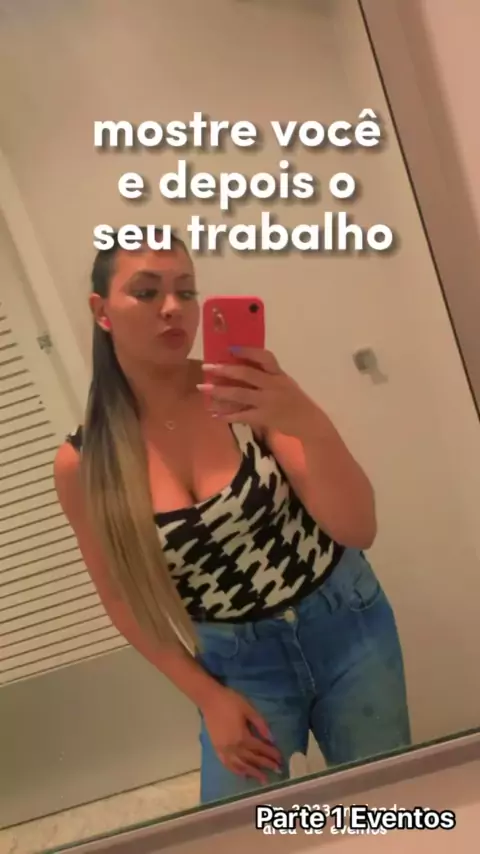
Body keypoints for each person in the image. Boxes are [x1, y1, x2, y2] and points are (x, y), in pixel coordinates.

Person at [54, 227, 411, 804]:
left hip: (346, 626)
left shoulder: (244, 394)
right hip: (239, 667)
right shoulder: (85, 462)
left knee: (381, 809)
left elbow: (357, 528)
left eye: (186, 291)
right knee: (241, 830)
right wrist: (209, 698)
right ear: (101, 311)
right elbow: (121, 600)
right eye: (146, 292)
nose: (173, 307)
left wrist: (308, 420)